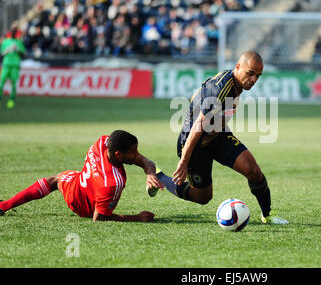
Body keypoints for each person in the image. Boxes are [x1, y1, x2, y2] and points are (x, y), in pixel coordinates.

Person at [147, 51, 288, 224]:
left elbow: (198, 93)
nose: (253, 79)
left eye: (258, 76)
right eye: (250, 73)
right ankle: (159, 177)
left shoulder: (233, 81)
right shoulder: (220, 90)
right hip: (195, 142)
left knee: (253, 170)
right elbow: (198, 125)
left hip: (217, 135)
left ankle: (267, 215)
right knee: (202, 197)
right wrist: (184, 160)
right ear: (238, 67)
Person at [0, 130, 163, 222]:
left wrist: (149, 173)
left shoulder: (103, 142)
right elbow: (98, 218)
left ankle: (4, 205)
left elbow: (144, 161)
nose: (137, 155)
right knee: (64, 181)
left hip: (78, 183)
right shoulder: (113, 182)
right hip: (83, 205)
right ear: (118, 154)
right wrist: (136, 217)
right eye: (133, 152)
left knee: (56, 179)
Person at [0, 23, 26, 109]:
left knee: (14, 84)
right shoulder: (6, 42)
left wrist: (17, 49)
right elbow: (1, 53)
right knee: (1, 84)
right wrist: (7, 50)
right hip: (6, 65)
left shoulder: (19, 42)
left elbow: (23, 55)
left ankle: (12, 100)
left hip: (15, 66)